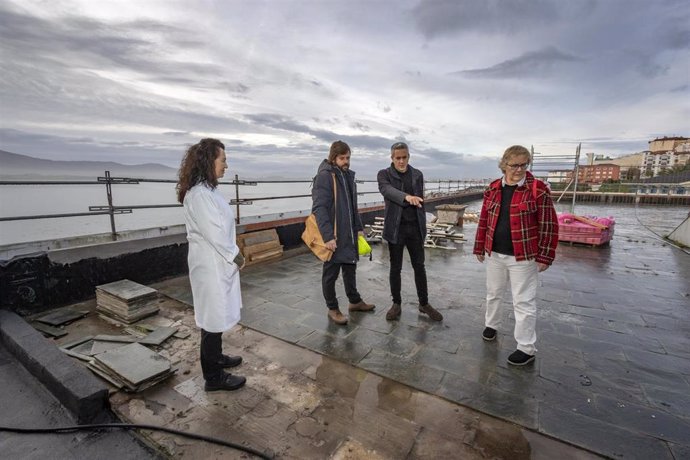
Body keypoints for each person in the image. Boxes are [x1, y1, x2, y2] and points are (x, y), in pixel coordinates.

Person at [473, 145, 559, 366]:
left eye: (524, 165)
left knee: (523, 302)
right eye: (514, 165)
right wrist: (479, 246)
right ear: (504, 165)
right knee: (493, 293)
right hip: (494, 254)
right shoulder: (493, 188)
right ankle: (491, 325)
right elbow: (484, 219)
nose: (519, 169)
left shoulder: (537, 190)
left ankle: (526, 348)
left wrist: (545, 256)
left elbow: (549, 225)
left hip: (524, 257)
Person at [176, 138, 246, 391]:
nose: (226, 165)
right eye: (223, 160)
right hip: (210, 265)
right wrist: (237, 256)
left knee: (216, 315)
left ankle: (216, 358)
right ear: (209, 161)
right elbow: (216, 233)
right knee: (211, 318)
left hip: (217, 263)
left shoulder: (209, 191)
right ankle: (213, 377)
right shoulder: (199, 196)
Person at [377, 142, 443, 322]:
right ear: (392, 158)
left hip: (415, 228)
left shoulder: (417, 174)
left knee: (419, 267)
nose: (401, 161)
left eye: (404, 157)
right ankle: (396, 303)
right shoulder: (384, 174)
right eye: (397, 158)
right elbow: (387, 190)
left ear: (408, 157)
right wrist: (406, 197)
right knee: (395, 267)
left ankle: (424, 303)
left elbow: (420, 202)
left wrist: (423, 225)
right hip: (396, 228)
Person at [312, 140, 375, 325]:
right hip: (334, 235)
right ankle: (332, 308)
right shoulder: (325, 176)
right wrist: (328, 237)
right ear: (333, 158)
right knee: (330, 274)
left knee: (350, 268)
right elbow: (320, 209)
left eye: (348, 157)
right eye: (342, 158)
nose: (346, 161)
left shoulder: (346, 175)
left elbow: (352, 206)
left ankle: (354, 301)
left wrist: (359, 227)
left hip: (348, 232)